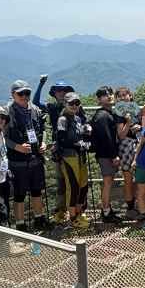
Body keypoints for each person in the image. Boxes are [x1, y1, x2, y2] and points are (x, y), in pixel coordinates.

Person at [4, 80, 49, 233]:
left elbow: (44, 129)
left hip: (35, 158)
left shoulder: (35, 110)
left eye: (27, 93)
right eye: (20, 93)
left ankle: (39, 219)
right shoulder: (7, 113)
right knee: (19, 194)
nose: (24, 96)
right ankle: (20, 225)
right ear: (13, 95)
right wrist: (17, 147)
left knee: (37, 191)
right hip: (17, 162)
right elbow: (2, 137)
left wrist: (44, 143)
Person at [34, 76, 73, 224]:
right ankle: (61, 211)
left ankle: (73, 210)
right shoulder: (52, 107)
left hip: (72, 148)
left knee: (73, 181)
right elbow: (36, 102)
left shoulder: (74, 106)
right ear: (54, 93)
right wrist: (40, 84)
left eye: (64, 90)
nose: (61, 93)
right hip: (59, 149)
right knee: (61, 181)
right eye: (58, 90)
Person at [56, 92, 92, 230]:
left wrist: (85, 136)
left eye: (77, 103)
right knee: (73, 186)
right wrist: (78, 144)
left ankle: (79, 213)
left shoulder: (77, 118)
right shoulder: (63, 119)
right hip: (69, 157)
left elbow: (80, 134)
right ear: (65, 104)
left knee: (83, 185)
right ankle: (73, 218)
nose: (74, 106)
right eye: (71, 103)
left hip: (80, 156)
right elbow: (62, 139)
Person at [91, 86, 122, 223]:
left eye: (110, 93)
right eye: (104, 95)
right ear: (99, 100)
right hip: (106, 155)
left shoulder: (107, 114)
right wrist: (114, 155)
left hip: (105, 154)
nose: (109, 96)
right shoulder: (103, 116)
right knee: (108, 182)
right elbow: (107, 138)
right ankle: (106, 211)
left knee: (108, 182)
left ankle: (107, 209)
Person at [114, 86, 141, 219]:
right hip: (126, 146)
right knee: (128, 179)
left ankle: (138, 205)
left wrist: (139, 127)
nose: (123, 97)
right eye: (120, 95)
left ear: (130, 96)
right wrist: (129, 122)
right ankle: (130, 208)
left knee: (139, 178)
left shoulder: (135, 110)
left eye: (126, 94)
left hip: (137, 144)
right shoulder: (119, 113)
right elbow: (121, 135)